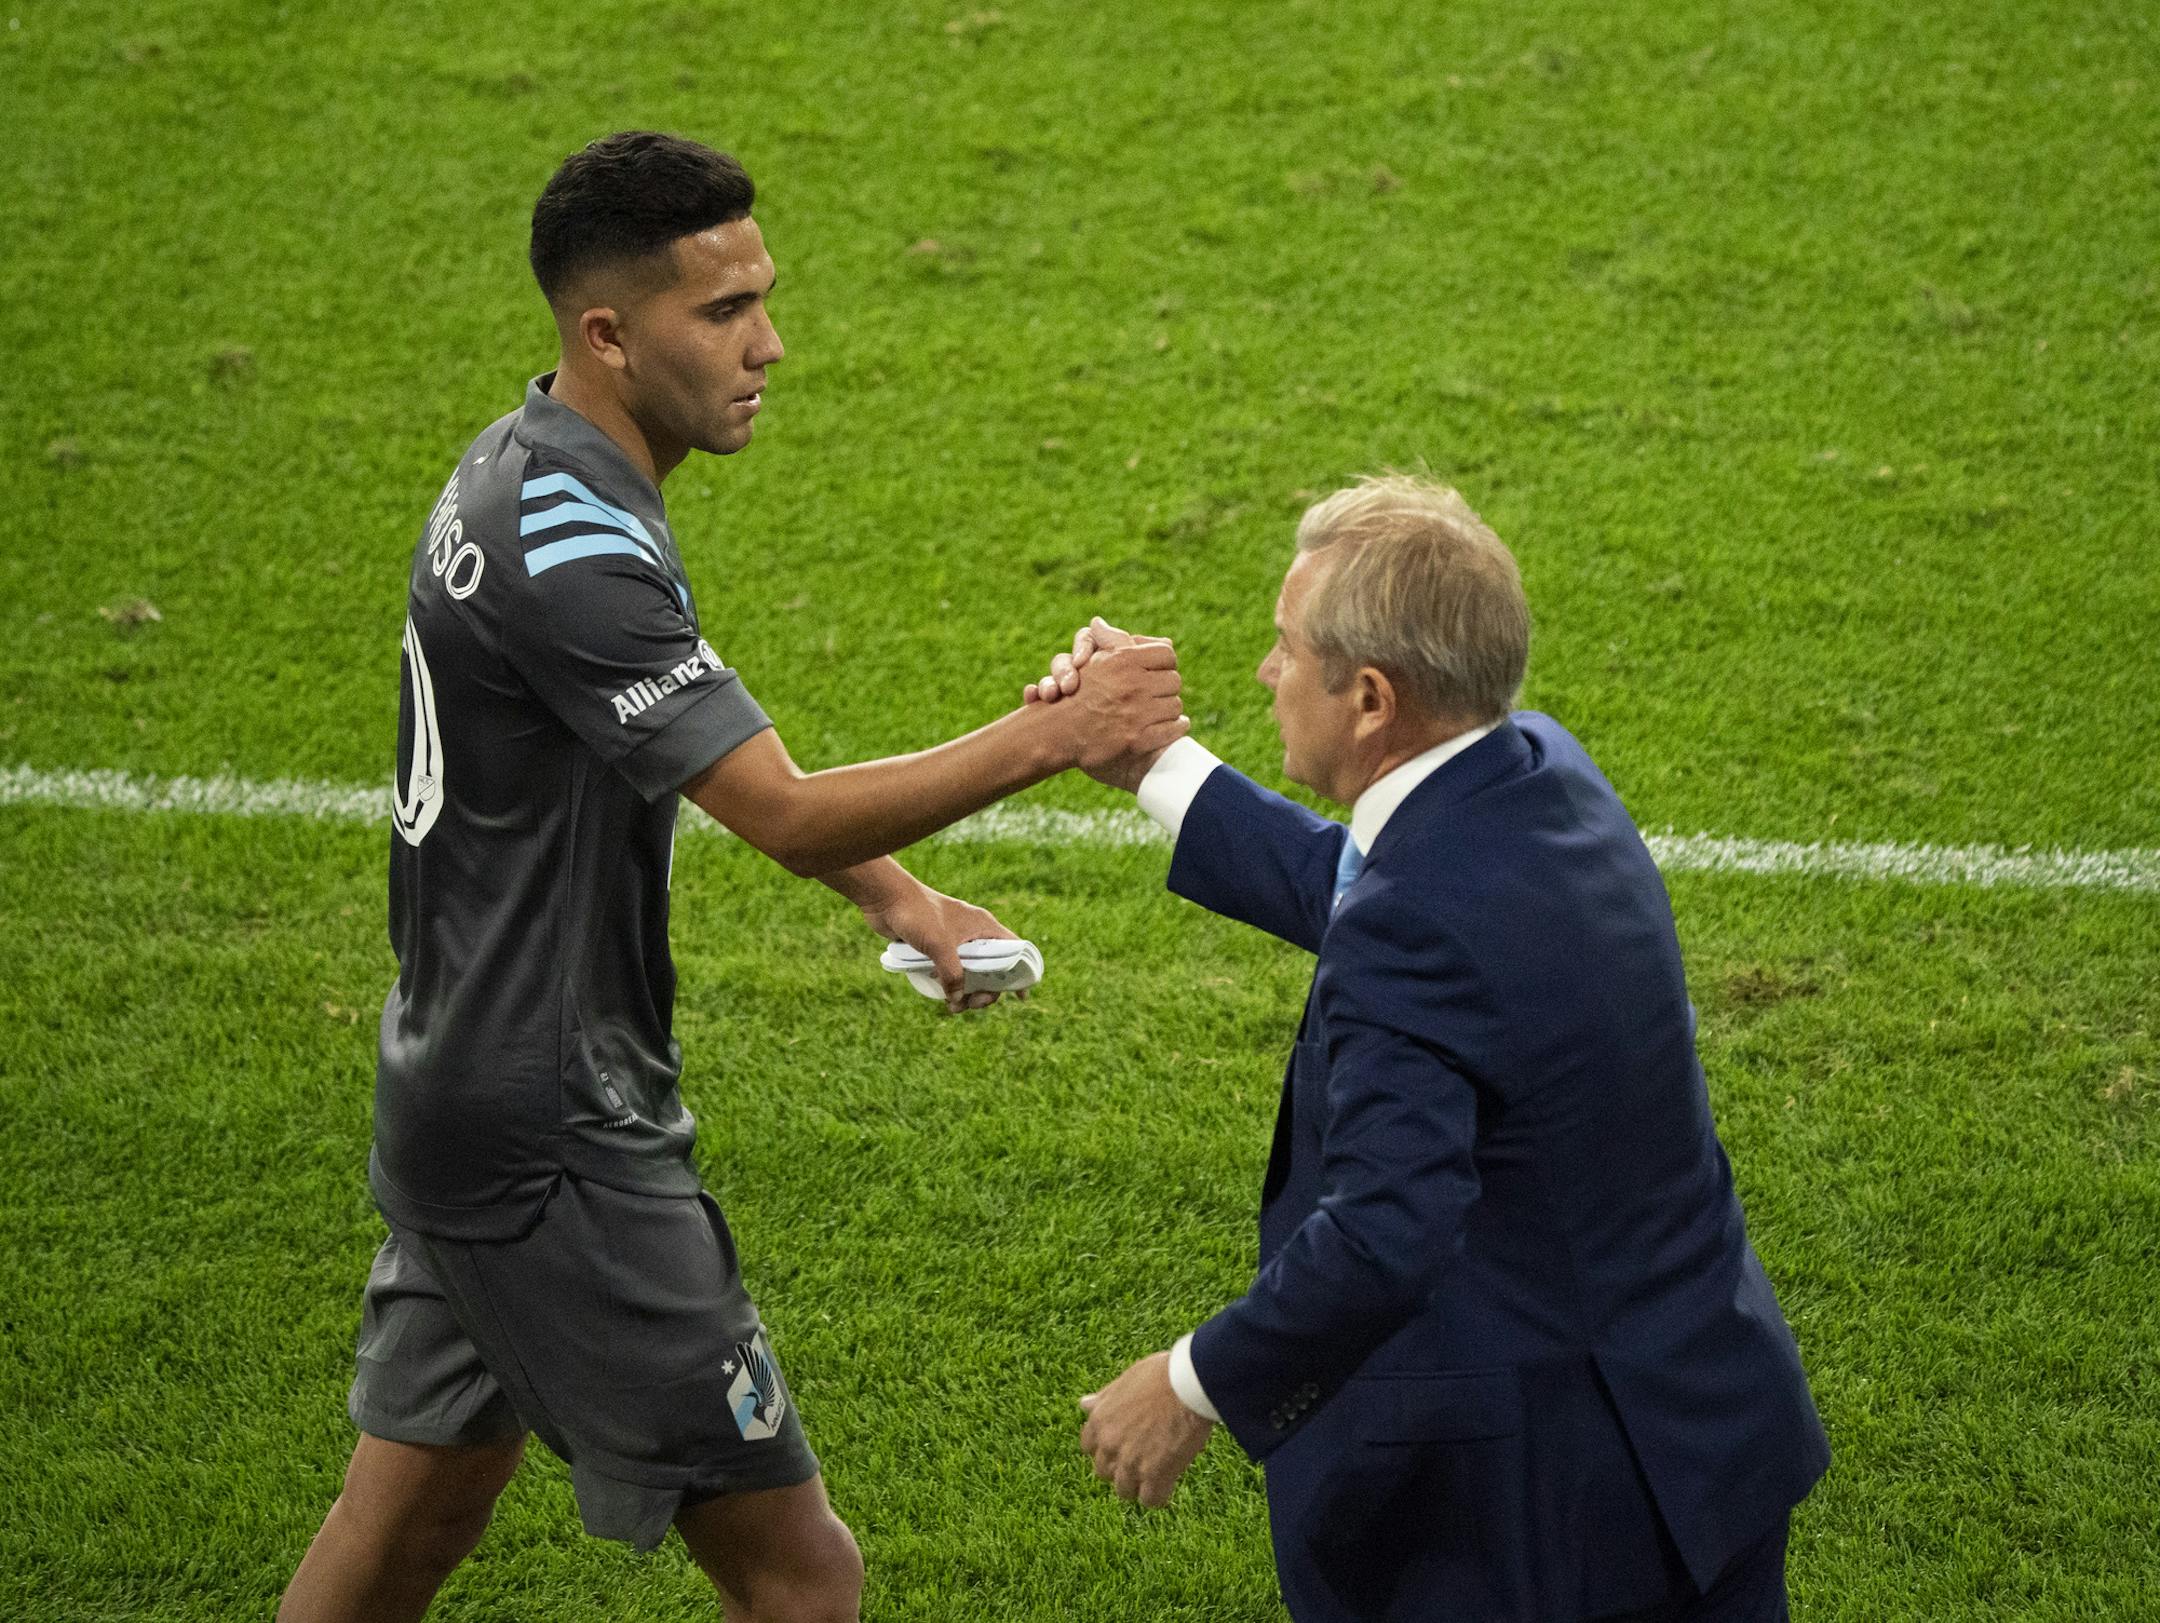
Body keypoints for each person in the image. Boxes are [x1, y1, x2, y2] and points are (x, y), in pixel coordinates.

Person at [278, 132, 1187, 1623]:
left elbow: (703, 755)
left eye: (764, 296)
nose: (769, 344)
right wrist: (1055, 734)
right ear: (608, 333)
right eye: (722, 312)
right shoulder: (573, 536)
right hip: (561, 1130)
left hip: (461, 1087)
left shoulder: (521, 466)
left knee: (402, 1532)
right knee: (804, 1579)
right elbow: (776, 807)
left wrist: (899, 896)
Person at [1041, 476, 1828, 1621]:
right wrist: (1155, 761)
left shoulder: (1416, 927)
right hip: (1702, 1431)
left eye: (1283, 647)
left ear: (1368, 696)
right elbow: (1374, 891)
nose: (1263, 674)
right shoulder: (1543, 775)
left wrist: (1189, 1384)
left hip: (1544, 1527)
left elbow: (1382, 1235)